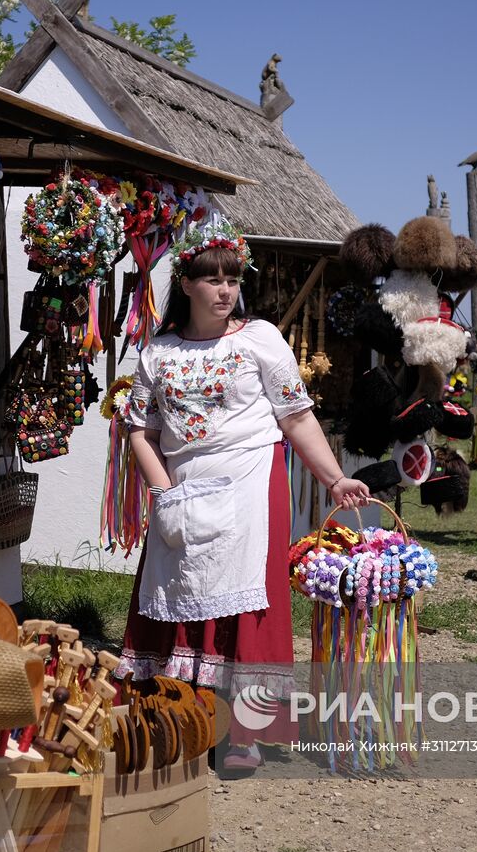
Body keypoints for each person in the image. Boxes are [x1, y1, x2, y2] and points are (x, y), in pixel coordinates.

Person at [116, 219, 370, 774]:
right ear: (186, 284)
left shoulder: (260, 339)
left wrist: (333, 478)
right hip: (181, 486)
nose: (225, 289)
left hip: (251, 481)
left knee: (246, 600)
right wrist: (163, 494)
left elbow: (296, 416)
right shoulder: (157, 353)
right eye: (212, 279)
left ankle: (245, 734)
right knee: (177, 595)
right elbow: (140, 429)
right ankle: (173, 717)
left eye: (232, 278)